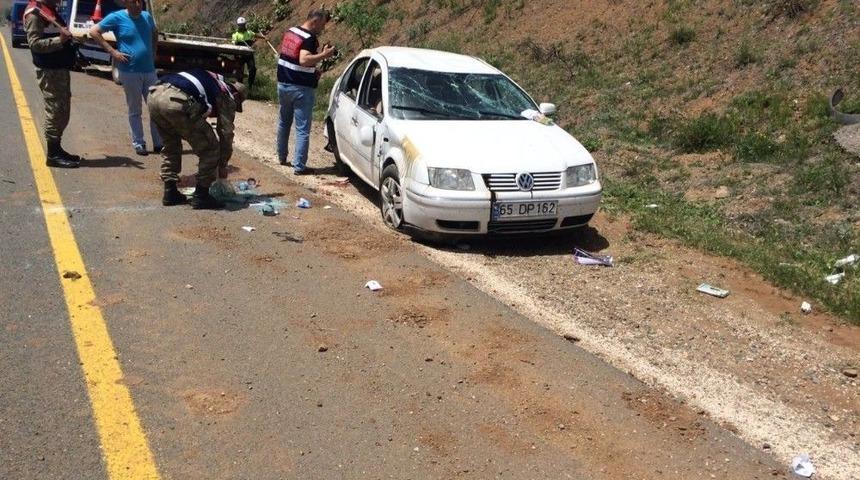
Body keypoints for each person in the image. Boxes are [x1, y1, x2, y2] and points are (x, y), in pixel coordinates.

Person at [147, 69, 244, 210]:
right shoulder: (227, 94)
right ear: (237, 95)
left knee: (170, 144)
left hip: (154, 95)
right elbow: (226, 132)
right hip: (176, 101)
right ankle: (202, 196)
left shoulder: (212, 79)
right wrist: (223, 164)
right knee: (210, 149)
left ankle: (170, 192)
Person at [89, 0, 162, 156]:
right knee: (135, 109)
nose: (137, 5)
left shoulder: (147, 16)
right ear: (126, 3)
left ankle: (158, 143)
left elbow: (154, 32)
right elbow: (94, 31)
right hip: (130, 72)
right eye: (133, 2)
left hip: (149, 70)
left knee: (156, 108)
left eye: (139, 2)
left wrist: (154, 51)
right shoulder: (117, 17)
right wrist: (113, 52)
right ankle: (139, 143)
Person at [276, 8, 335, 175]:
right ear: (315, 21)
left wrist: (314, 69)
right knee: (302, 129)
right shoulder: (309, 38)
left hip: (283, 84)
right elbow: (303, 60)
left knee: (284, 122)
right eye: (322, 25)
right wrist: (324, 55)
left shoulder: (291, 31)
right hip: (300, 88)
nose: (323, 28)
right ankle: (299, 166)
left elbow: (292, 58)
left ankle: (282, 156)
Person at [23, 0, 81, 168]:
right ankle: (53, 154)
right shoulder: (35, 14)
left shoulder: (49, 11)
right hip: (49, 71)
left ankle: (57, 148)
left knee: (62, 110)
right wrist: (60, 40)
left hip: (59, 69)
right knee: (55, 110)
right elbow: (34, 44)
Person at [231, 16, 261, 89]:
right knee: (239, 71)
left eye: (243, 25)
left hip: (248, 54)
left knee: (253, 69)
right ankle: (240, 87)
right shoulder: (235, 35)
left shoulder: (249, 32)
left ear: (245, 24)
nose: (242, 26)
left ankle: (250, 85)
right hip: (239, 55)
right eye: (240, 25)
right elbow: (234, 44)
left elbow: (255, 35)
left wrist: (264, 38)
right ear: (238, 25)